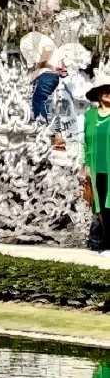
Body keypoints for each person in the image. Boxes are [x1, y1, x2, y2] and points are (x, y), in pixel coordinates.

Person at [81, 74, 110, 253]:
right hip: (96, 166)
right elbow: (85, 142)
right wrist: (85, 164)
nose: (108, 93)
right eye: (105, 90)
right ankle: (105, 242)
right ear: (98, 94)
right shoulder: (90, 115)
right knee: (100, 208)